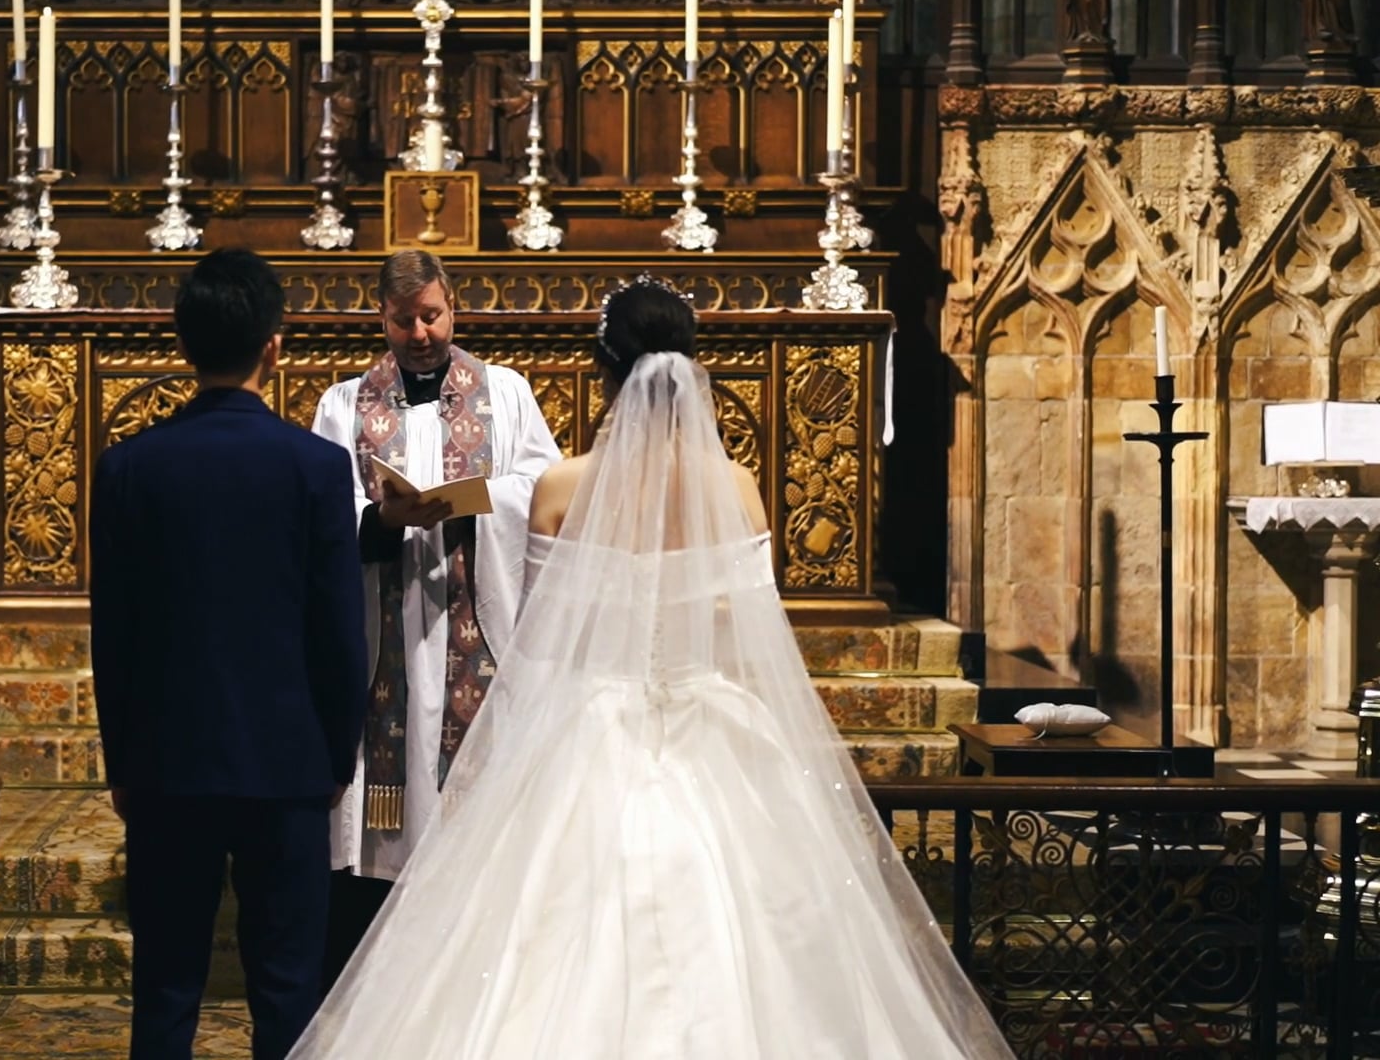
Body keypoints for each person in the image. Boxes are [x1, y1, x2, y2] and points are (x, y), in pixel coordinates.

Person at [289, 277, 1013, 1058]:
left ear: (605, 371)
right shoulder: (736, 488)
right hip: (714, 724)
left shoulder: (565, 487)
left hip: (591, 724)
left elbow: (539, 640)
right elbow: (747, 637)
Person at [92, 249, 369, 1060]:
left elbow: (116, 634)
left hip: (167, 764)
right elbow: (338, 631)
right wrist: (337, 757)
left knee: (167, 987)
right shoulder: (317, 467)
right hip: (286, 765)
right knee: (287, 987)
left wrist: (123, 761)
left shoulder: (129, 467)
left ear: (183, 345)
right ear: (275, 346)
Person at [309, 249, 562, 987]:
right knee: (381, 813)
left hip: (470, 624)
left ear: (453, 307)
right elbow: (329, 508)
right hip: (384, 632)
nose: (419, 333)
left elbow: (539, 485)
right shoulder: (346, 403)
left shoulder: (505, 394)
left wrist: (478, 498)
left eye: (431, 316)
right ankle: (377, 976)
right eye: (402, 320)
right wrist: (380, 519)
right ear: (380, 319)